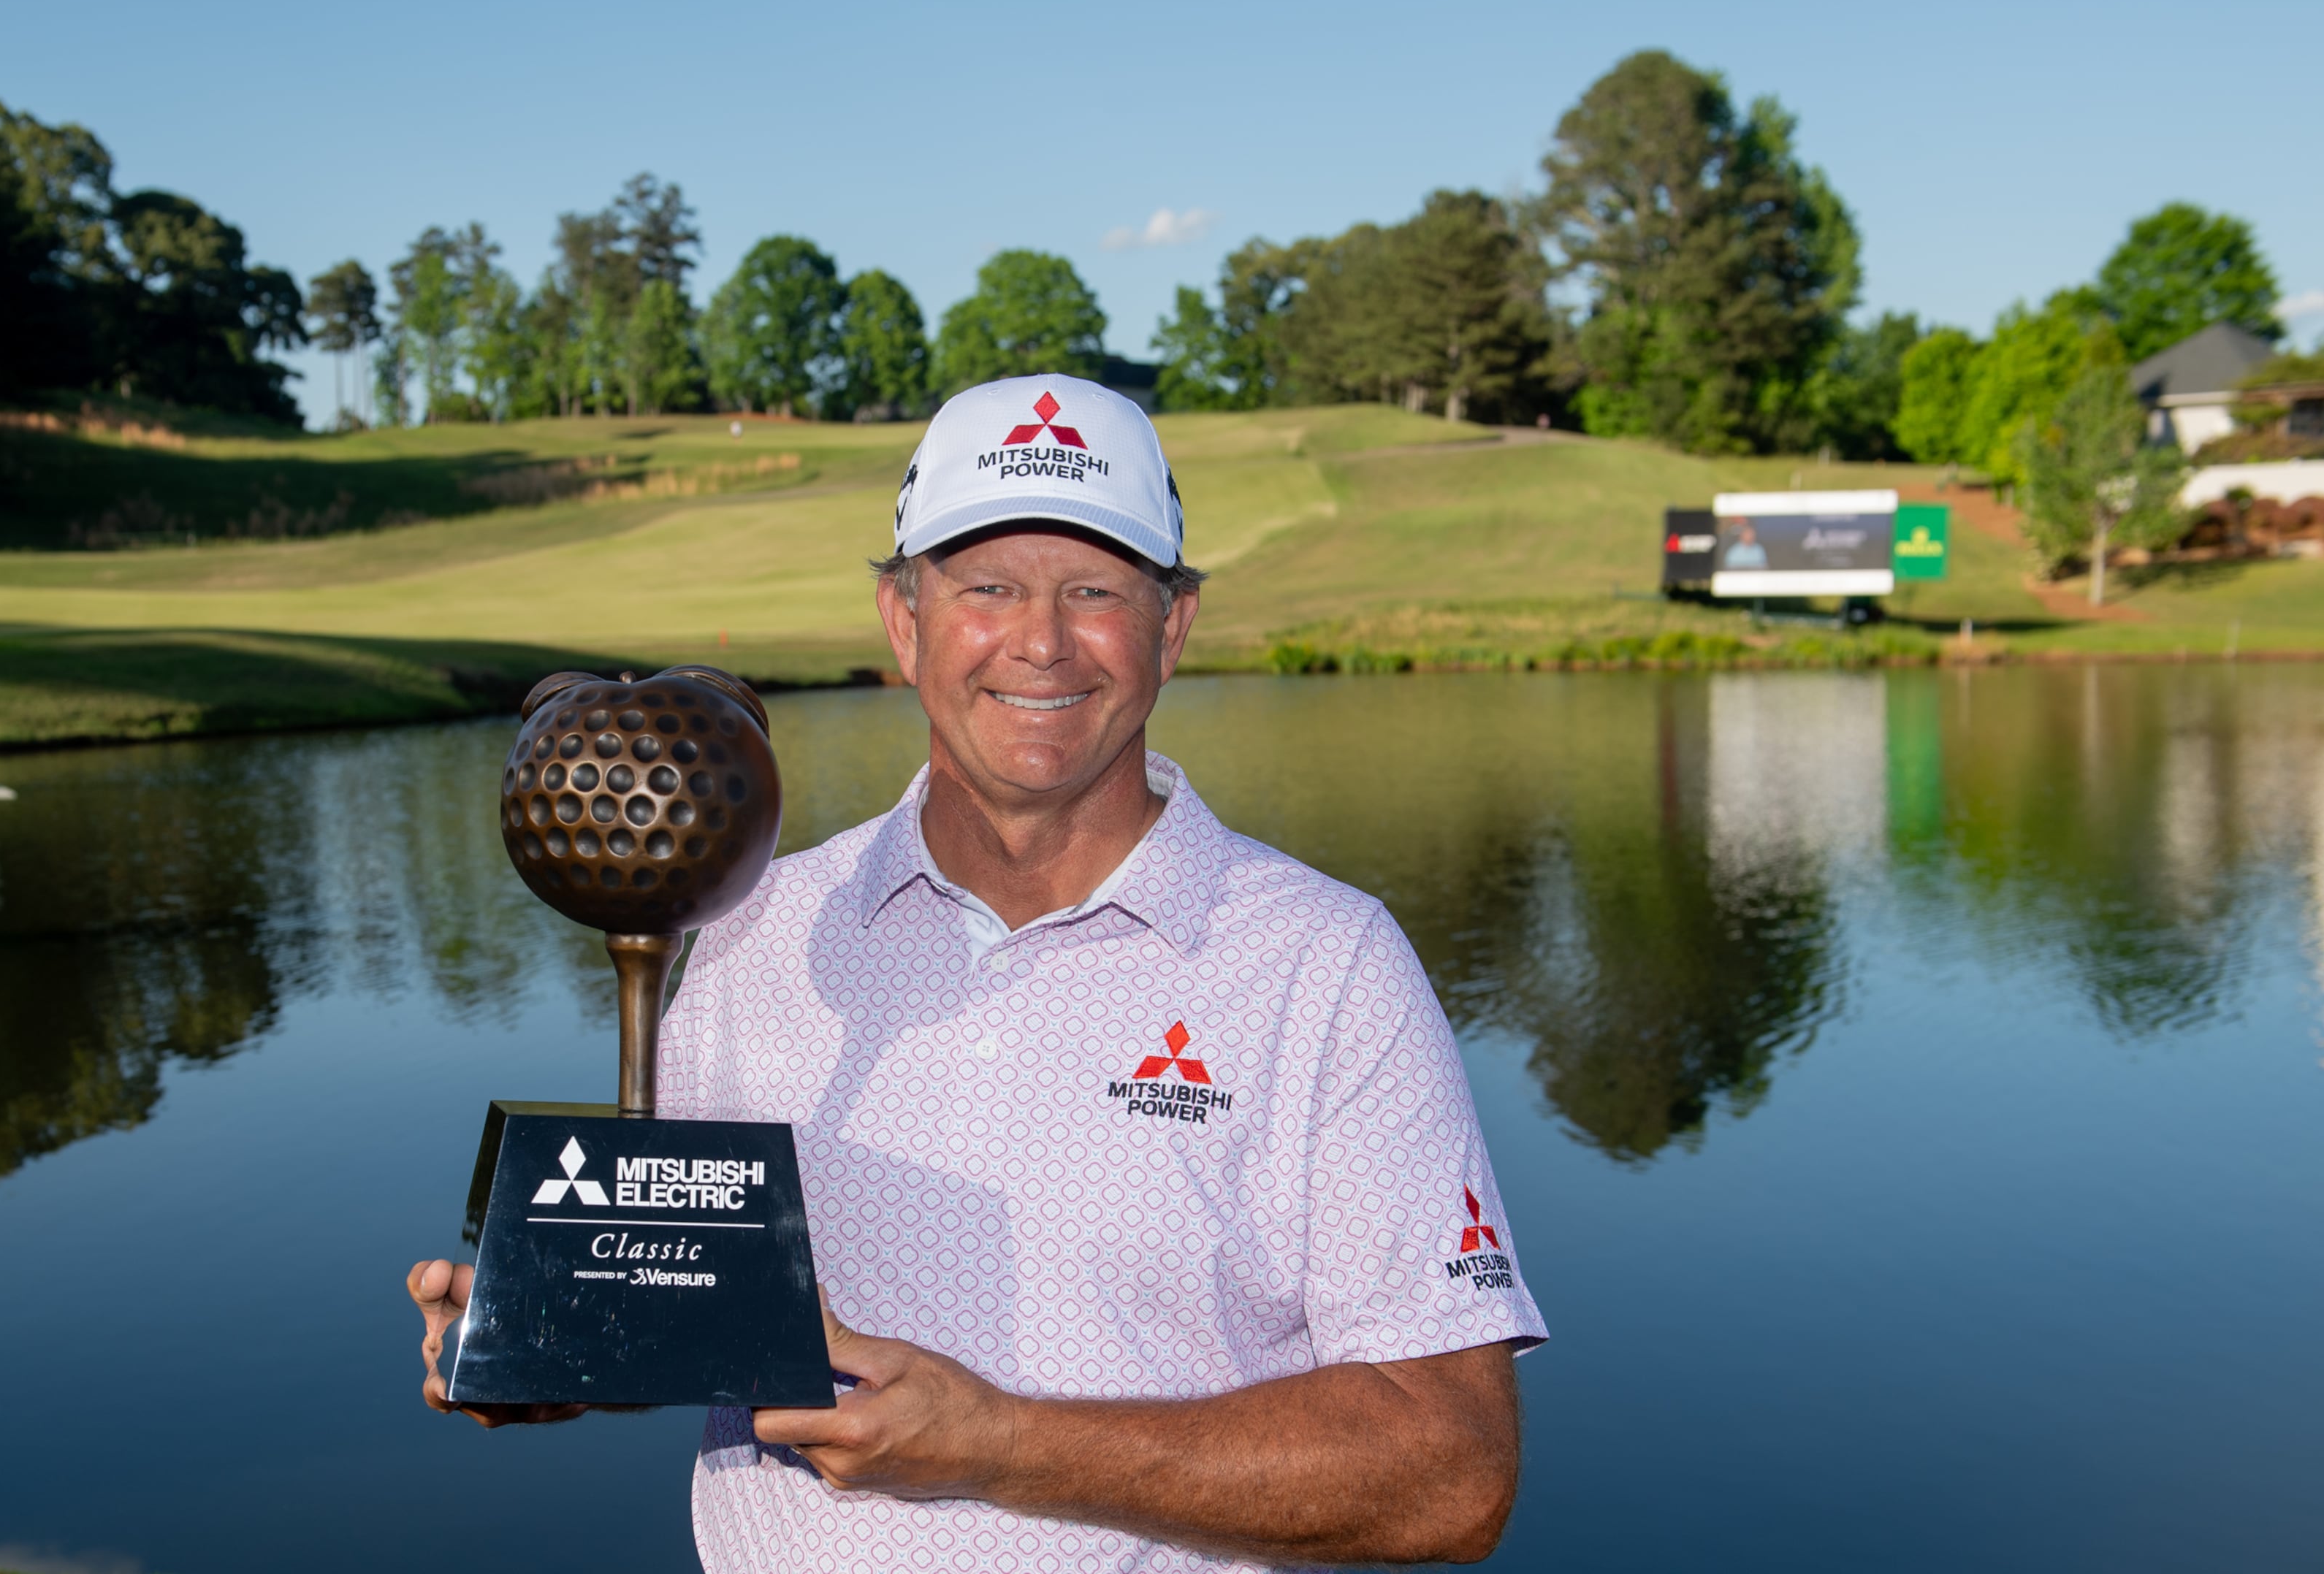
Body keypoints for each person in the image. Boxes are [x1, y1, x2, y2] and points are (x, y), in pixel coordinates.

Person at [408, 373, 1546, 1571]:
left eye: (1095, 591)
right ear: (905, 622)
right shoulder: (756, 927)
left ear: (1175, 625)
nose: (1041, 641)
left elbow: (1454, 1474)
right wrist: (539, 1345)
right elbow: (675, 1301)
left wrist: (999, 1442)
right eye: (987, 587)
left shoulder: (1327, 965)